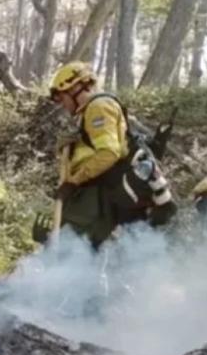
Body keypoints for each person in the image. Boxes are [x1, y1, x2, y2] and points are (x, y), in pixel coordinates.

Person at [42, 61, 176, 249]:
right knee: (84, 245)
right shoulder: (91, 110)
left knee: (75, 243)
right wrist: (72, 146)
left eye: (62, 98)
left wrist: (73, 182)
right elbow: (97, 148)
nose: (62, 105)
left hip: (111, 188)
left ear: (74, 89)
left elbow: (109, 153)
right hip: (105, 189)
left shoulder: (98, 108)